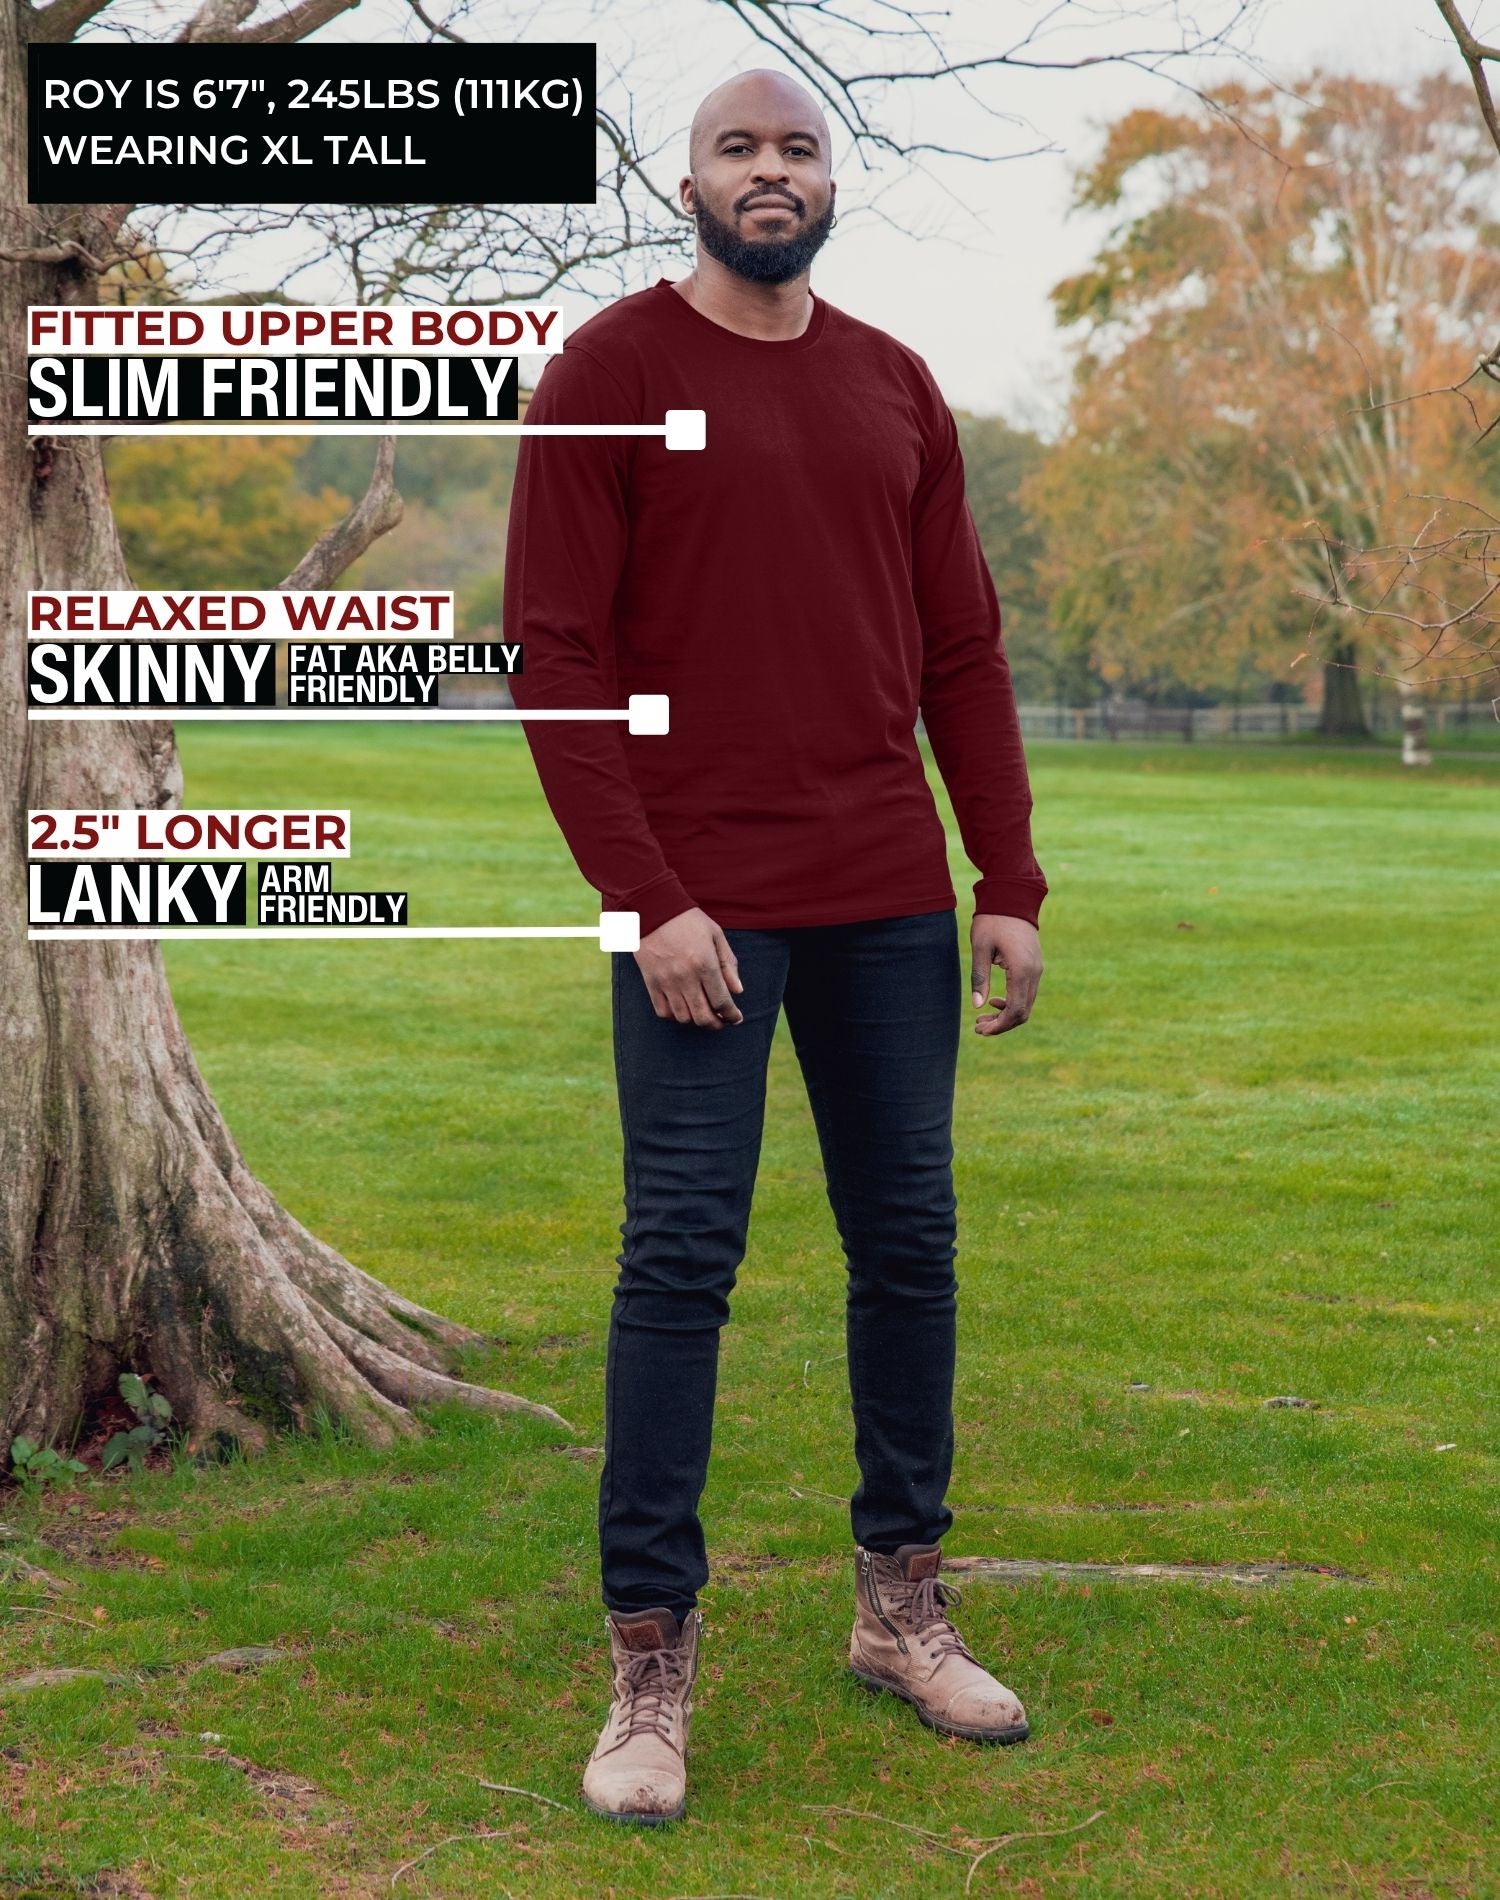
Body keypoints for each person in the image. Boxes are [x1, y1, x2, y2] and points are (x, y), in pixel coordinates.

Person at [504, 66, 1047, 1826]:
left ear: (831, 180)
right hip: (698, 909)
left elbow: (960, 649)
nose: (770, 170)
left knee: (912, 1247)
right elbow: (556, 660)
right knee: (680, 1260)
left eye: (798, 148)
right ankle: (648, 1664)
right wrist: (648, 898)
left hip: (887, 891)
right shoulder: (606, 374)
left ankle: (901, 1608)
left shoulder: (895, 384)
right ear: (688, 182)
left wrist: (1008, 876)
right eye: (738, 147)